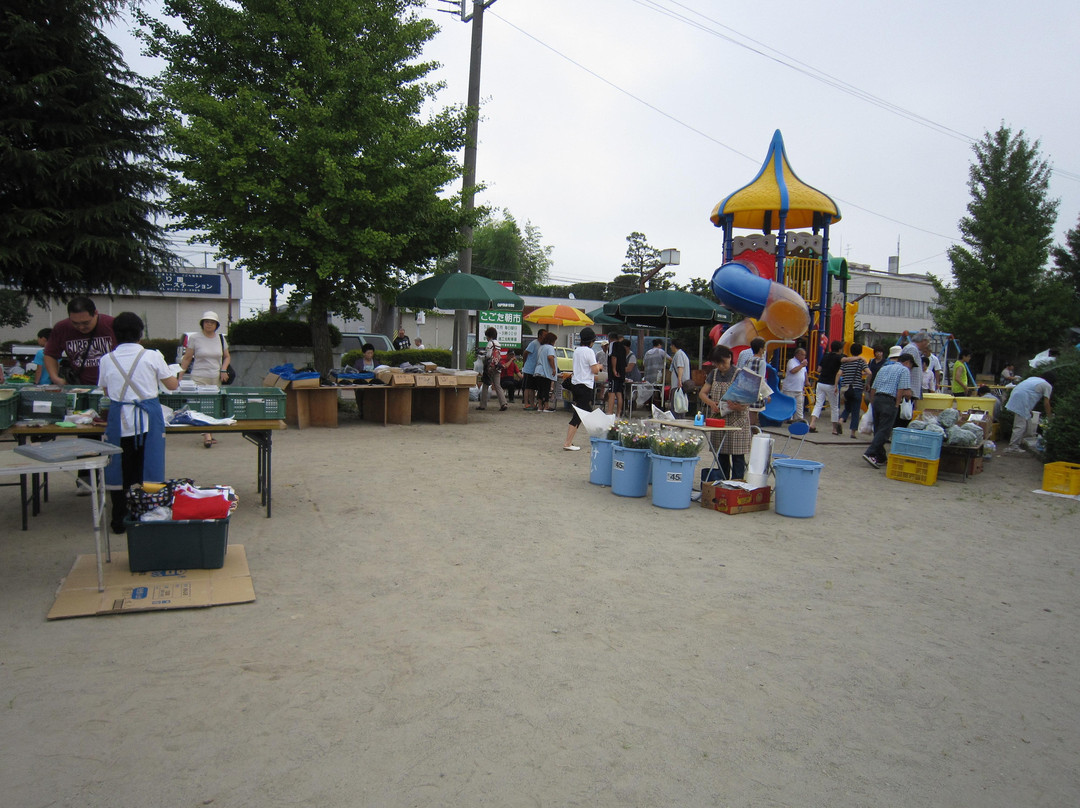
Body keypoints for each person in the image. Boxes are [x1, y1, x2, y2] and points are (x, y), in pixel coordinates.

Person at [98, 312, 179, 533]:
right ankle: (150, 513)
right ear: (140, 333)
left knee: (119, 470)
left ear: (114, 335)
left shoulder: (106, 360)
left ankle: (119, 518)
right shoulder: (152, 356)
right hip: (147, 422)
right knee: (150, 467)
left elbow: (106, 390)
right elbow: (172, 385)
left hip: (119, 422)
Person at [178, 311, 232, 448]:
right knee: (202, 404)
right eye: (206, 321)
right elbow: (187, 357)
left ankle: (210, 431)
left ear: (216, 325)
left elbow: (226, 356)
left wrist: (224, 369)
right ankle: (207, 434)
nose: (209, 324)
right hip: (199, 376)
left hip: (215, 376)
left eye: (212, 322)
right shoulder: (195, 338)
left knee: (213, 405)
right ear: (202, 323)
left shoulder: (220, 338)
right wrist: (180, 373)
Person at [698, 344, 752, 480]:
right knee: (721, 455)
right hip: (719, 419)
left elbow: (747, 401)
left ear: (729, 357)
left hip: (737, 420)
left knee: (738, 456)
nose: (721, 366)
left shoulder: (740, 374)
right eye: (717, 363)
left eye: (723, 362)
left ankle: (737, 484)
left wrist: (737, 406)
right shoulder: (714, 374)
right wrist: (711, 403)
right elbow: (703, 393)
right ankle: (722, 483)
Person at [43, 296, 116, 385]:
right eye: (75, 323)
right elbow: (50, 354)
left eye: (86, 323)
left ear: (95, 313)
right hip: (79, 385)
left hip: (111, 384)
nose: (81, 327)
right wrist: (55, 378)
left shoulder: (111, 324)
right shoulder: (62, 328)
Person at [862, 346, 915, 469]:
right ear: (907, 362)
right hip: (889, 400)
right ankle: (870, 453)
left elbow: (874, 387)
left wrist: (873, 402)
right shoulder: (904, 370)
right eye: (911, 365)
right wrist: (897, 404)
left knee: (878, 428)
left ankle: (881, 457)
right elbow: (902, 390)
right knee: (885, 431)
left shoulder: (884, 368)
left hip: (878, 399)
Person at [563, 327, 602, 450]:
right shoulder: (589, 352)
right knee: (579, 415)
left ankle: (600, 437)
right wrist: (599, 366)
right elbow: (594, 370)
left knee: (586, 412)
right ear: (592, 341)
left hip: (576, 385)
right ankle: (567, 443)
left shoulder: (577, 351)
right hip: (585, 387)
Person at [1003, 373, 1053, 454]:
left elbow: (1028, 391)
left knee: (1027, 423)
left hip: (1016, 395)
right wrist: (1049, 416)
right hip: (1022, 399)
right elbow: (1046, 403)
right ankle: (1013, 447)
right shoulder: (1047, 385)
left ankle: (1021, 442)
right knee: (1020, 425)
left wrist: (1028, 410)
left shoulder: (1034, 378)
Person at [808, 339, 844, 434]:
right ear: (840, 349)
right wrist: (858, 358)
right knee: (834, 407)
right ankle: (834, 429)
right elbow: (845, 360)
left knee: (818, 404)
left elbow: (819, 369)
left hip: (821, 383)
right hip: (831, 384)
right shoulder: (838, 357)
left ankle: (812, 423)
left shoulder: (826, 356)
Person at [838, 343, 869, 438]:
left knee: (847, 407)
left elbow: (839, 373)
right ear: (860, 351)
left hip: (846, 388)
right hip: (857, 388)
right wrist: (863, 375)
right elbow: (869, 372)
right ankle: (852, 433)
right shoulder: (861, 362)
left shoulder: (845, 362)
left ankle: (840, 420)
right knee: (856, 411)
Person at [478, 327, 508, 411]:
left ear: (489, 335)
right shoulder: (498, 344)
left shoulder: (490, 343)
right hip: (497, 366)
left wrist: (481, 354)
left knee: (485, 385)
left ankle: (483, 405)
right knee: (498, 385)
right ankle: (503, 403)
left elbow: (488, 355)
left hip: (490, 367)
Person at [520, 329, 546, 410]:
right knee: (527, 387)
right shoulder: (534, 343)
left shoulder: (542, 344)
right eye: (544, 335)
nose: (545, 336)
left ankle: (532, 403)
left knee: (532, 388)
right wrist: (524, 363)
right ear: (540, 335)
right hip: (529, 368)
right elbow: (525, 353)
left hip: (535, 369)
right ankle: (526, 403)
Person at [781, 346, 808, 422]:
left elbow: (805, 372)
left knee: (799, 405)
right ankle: (789, 418)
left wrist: (806, 381)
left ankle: (799, 419)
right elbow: (793, 371)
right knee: (789, 404)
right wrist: (802, 365)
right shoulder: (791, 361)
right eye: (803, 355)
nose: (804, 357)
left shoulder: (802, 364)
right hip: (790, 388)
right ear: (798, 354)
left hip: (799, 388)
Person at [533, 331, 558, 413]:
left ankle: (540, 406)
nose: (554, 343)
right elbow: (550, 357)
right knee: (546, 389)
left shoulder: (541, 347)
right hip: (545, 372)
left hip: (538, 371)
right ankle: (546, 406)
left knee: (540, 390)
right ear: (551, 341)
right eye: (554, 341)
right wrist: (554, 368)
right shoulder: (550, 348)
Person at [668, 338, 693, 413]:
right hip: (678, 384)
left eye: (671, 345)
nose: (670, 347)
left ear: (673, 346)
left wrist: (679, 381)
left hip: (678, 385)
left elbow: (680, 367)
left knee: (677, 406)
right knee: (679, 405)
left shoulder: (679, 354)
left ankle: (677, 422)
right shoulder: (680, 354)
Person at [606, 332, 627, 415]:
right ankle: (618, 413)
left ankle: (610, 412)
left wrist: (614, 369)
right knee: (619, 393)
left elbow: (614, 357)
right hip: (621, 372)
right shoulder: (623, 347)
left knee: (611, 393)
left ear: (610, 339)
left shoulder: (612, 345)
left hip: (614, 373)